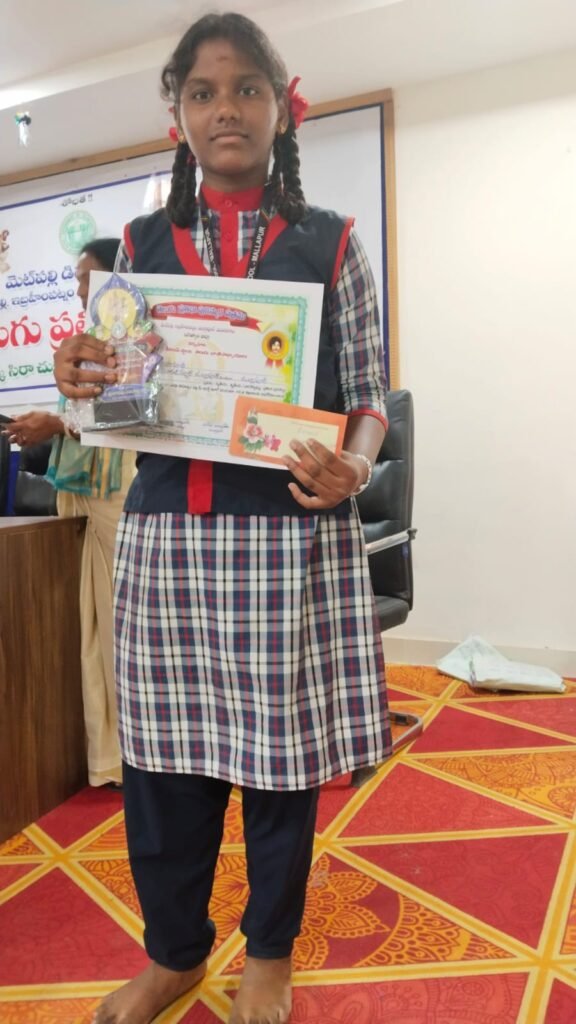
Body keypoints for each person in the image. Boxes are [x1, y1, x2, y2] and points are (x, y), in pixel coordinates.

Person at [53, 13, 391, 1024]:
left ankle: (270, 953)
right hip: (166, 541)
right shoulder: (137, 249)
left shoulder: (333, 242)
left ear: (282, 109)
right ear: (179, 117)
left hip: (287, 541)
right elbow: (114, 398)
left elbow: (370, 395)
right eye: (202, 92)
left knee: (280, 767)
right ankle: (175, 954)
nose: (225, 108)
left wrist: (355, 462)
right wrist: (78, 376)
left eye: (246, 88)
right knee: (162, 766)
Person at [6, 238, 134, 788]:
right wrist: (52, 422)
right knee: (91, 621)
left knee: (121, 625)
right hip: (85, 491)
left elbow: (127, 413)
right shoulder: (86, 341)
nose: (79, 287)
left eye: (87, 276)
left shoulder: (133, 340)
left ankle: (138, 753)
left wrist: (54, 423)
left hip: (121, 489)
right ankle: (105, 754)